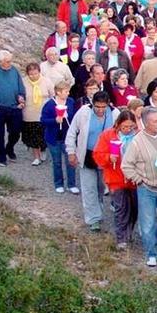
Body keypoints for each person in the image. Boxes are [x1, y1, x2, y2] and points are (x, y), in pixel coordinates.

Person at [121, 107, 157, 267]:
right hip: (146, 187)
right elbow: (126, 165)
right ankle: (150, 252)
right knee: (147, 223)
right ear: (146, 123)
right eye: (154, 121)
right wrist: (138, 179)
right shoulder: (137, 142)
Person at [65, 91, 119, 230]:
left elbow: (122, 135)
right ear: (92, 104)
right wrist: (71, 152)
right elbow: (72, 132)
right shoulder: (84, 112)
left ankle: (99, 208)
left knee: (101, 187)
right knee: (89, 188)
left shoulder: (115, 114)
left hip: (106, 157)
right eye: (97, 107)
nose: (100, 110)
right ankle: (93, 218)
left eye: (103, 107)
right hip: (88, 154)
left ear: (108, 105)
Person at [94, 110, 138, 249]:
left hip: (134, 178)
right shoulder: (108, 135)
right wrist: (108, 158)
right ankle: (121, 238)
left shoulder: (138, 137)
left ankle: (129, 231)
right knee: (121, 208)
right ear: (118, 124)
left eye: (131, 127)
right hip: (115, 178)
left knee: (134, 208)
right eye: (125, 127)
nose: (127, 130)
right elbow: (97, 154)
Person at [41, 81, 78, 194]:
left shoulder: (71, 102)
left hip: (68, 137)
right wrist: (55, 120)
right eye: (66, 91)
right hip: (54, 137)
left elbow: (76, 116)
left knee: (70, 161)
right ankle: (58, 184)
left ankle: (71, 184)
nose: (68, 93)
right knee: (56, 162)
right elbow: (43, 120)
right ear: (58, 92)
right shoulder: (50, 104)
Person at [22, 62, 54, 166]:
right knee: (33, 137)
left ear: (39, 72)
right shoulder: (23, 82)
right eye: (31, 74)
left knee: (43, 135)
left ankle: (43, 149)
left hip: (43, 114)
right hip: (29, 114)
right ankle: (36, 157)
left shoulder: (46, 81)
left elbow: (52, 95)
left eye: (36, 73)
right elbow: (20, 94)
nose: (33, 76)